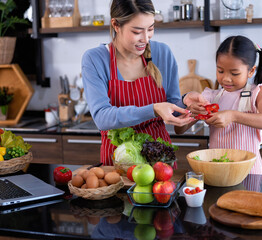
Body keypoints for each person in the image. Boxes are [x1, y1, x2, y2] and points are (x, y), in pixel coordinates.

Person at [81, 0, 193, 166]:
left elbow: (172, 107)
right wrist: (153, 109)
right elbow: (102, 117)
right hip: (119, 161)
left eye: (151, 29)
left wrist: (185, 102)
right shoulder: (95, 59)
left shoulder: (163, 53)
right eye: (137, 31)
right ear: (116, 25)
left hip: (160, 160)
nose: (145, 39)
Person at [176, 35, 262, 174]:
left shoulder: (258, 93)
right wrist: (191, 111)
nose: (226, 79)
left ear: (251, 71)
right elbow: (179, 130)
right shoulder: (210, 97)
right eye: (220, 71)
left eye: (234, 73)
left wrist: (233, 116)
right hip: (217, 172)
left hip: (249, 173)